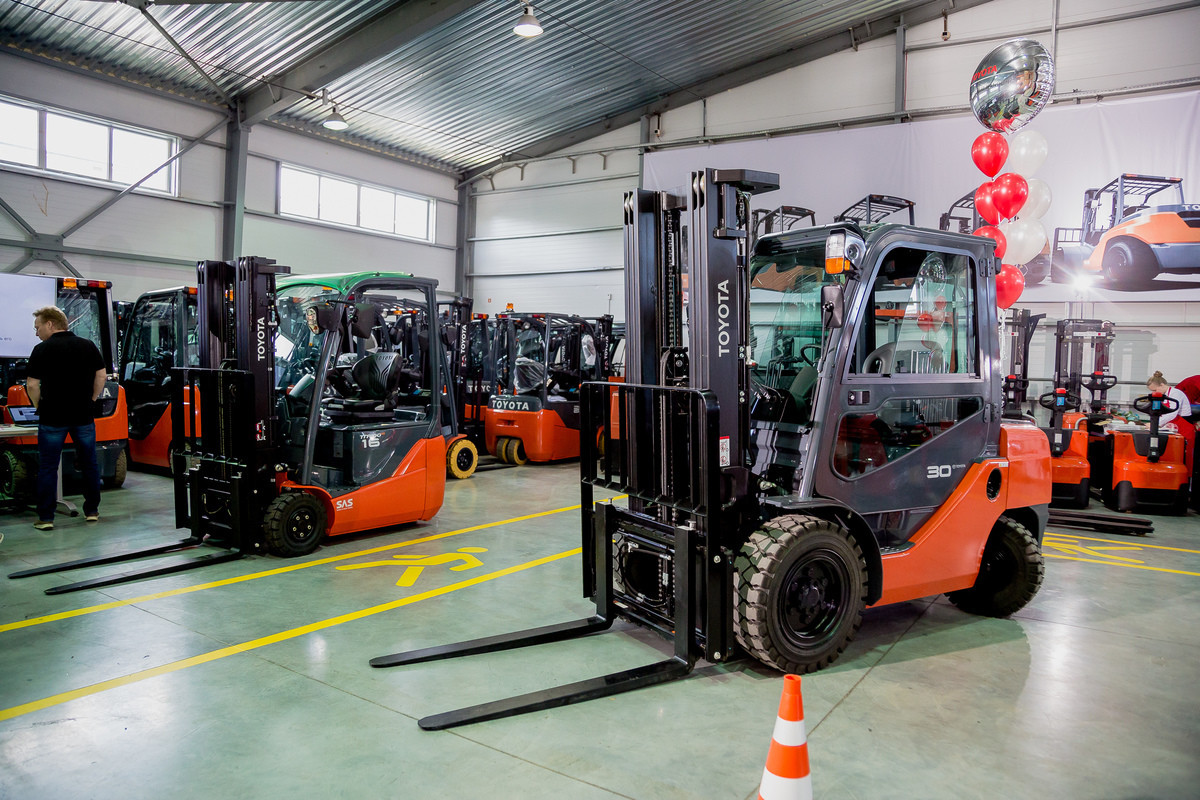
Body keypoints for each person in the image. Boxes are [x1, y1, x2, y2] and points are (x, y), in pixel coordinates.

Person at [25, 306, 107, 530]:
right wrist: (91, 399)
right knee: (89, 463)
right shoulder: (88, 345)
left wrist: (39, 406)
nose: (37, 333)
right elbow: (101, 375)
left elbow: (32, 384)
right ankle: (92, 511)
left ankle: (46, 518)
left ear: (50, 324)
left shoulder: (41, 349)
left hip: (52, 417)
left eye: (38, 327)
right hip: (83, 415)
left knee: (48, 467)